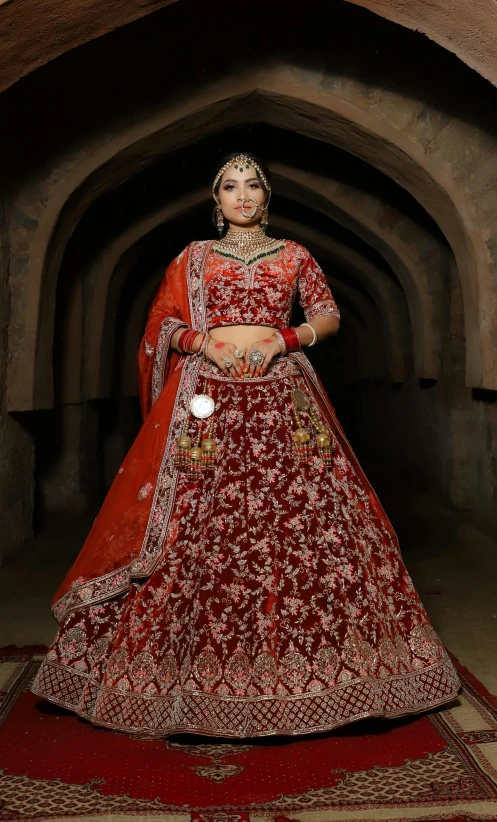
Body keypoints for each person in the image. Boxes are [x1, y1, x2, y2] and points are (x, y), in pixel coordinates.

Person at [32, 152, 461, 738]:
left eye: (252, 185)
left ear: (266, 196)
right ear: (216, 201)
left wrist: (285, 339)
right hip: (206, 402)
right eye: (230, 187)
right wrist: (202, 344)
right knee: (195, 524)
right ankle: (172, 677)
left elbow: (328, 315)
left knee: (306, 523)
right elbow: (160, 323)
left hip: (284, 396)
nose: (241, 195)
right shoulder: (193, 257)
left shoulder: (295, 255)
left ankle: (331, 676)